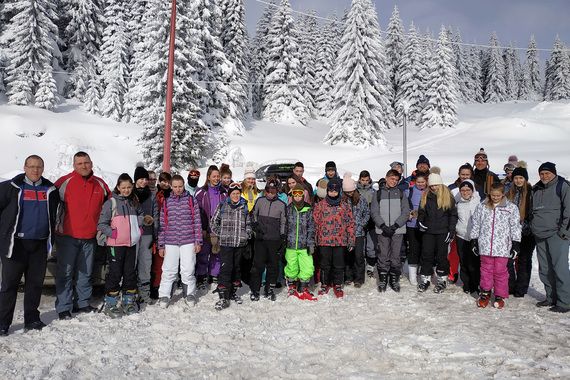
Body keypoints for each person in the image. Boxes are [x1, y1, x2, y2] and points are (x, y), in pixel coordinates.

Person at [0, 155, 59, 335]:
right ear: (24, 167)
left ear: (43, 168)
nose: (35, 170)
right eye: (32, 166)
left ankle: (32, 319)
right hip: (16, 244)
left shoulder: (50, 189)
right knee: (9, 285)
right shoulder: (10, 187)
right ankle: (3, 323)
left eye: (39, 167)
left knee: (34, 284)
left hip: (39, 245)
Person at [54, 151, 111, 320]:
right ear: (74, 165)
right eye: (79, 163)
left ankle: (83, 303)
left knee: (85, 272)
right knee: (65, 272)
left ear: (91, 163)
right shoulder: (64, 183)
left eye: (86, 162)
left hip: (90, 237)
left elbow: (112, 204)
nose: (84, 166)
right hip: (67, 236)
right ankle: (64, 307)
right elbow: (49, 202)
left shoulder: (100, 184)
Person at [97, 174, 146, 317]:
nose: (126, 190)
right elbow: (101, 224)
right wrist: (113, 234)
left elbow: (141, 216)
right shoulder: (111, 203)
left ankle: (128, 301)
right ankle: (111, 303)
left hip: (131, 244)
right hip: (115, 245)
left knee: (130, 273)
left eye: (129, 187)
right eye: (123, 187)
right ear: (118, 187)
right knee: (115, 273)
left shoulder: (134, 201)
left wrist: (139, 229)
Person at [471, 183, 521, 309]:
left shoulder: (511, 207)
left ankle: (500, 295)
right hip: (485, 245)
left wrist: (516, 244)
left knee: (501, 272)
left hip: (503, 247)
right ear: (489, 194)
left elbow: (515, 226)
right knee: (485, 270)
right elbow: (476, 223)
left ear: (503, 194)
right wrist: (474, 240)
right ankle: (485, 292)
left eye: (498, 195)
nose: (495, 197)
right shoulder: (482, 206)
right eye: (493, 195)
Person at [156, 175, 203, 308]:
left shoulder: (191, 200)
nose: (178, 189)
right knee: (169, 269)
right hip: (170, 241)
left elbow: (197, 221)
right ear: (171, 186)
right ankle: (164, 295)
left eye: (180, 186)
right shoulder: (167, 202)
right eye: (175, 186)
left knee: (188, 269)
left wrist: (198, 241)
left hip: (188, 240)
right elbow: (162, 224)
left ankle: (190, 293)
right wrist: (161, 245)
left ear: (184, 185)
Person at [531, 162, 570, 313]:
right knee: (545, 268)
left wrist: (564, 232)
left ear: (554, 173)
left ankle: (565, 301)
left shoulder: (563, 186)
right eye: (542, 173)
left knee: (560, 269)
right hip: (540, 234)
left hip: (557, 234)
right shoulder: (536, 188)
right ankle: (551, 297)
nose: (544, 176)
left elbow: (569, 211)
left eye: (547, 173)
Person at [210, 182, 252, 310]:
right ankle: (223, 295)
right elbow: (213, 222)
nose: (235, 196)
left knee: (237, 268)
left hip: (239, 243)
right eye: (233, 193)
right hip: (226, 244)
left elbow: (249, 224)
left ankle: (233, 292)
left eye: (238, 193)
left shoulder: (244, 206)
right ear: (229, 194)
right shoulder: (223, 205)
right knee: (226, 268)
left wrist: (247, 235)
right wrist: (220, 233)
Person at [313, 178, 355, 298]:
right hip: (324, 240)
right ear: (327, 191)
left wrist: (351, 240)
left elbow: (350, 223)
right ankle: (325, 284)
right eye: (330, 190)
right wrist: (314, 239)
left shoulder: (345, 205)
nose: (333, 193)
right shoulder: (320, 205)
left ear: (339, 191)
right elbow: (315, 222)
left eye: (335, 191)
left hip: (340, 240)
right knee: (325, 264)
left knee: (339, 264)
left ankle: (337, 285)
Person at [417, 173, 458, 293]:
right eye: (431, 185)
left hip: (442, 231)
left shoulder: (447, 196)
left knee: (441, 256)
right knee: (426, 255)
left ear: (440, 184)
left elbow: (453, 215)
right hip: (428, 231)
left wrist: (451, 230)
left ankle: (441, 280)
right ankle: (425, 279)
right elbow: (421, 212)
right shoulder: (425, 195)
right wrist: (420, 221)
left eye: (436, 185)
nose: (434, 188)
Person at [371, 170, 410, 292]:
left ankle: (394, 279)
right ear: (386, 178)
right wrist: (382, 226)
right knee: (383, 254)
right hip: (382, 230)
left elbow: (405, 212)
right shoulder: (377, 194)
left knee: (396, 255)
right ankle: (383, 279)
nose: (394, 181)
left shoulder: (401, 193)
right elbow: (374, 212)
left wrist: (395, 226)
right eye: (392, 178)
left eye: (396, 180)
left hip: (397, 230)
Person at [250, 177, 287, 301]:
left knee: (273, 266)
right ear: (265, 191)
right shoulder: (260, 201)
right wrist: (255, 226)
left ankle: (269, 289)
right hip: (261, 239)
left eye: (273, 191)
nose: (270, 194)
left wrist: (282, 237)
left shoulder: (281, 205)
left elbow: (283, 222)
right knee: (258, 266)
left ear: (277, 192)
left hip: (274, 239)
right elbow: (253, 215)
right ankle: (255, 290)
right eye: (268, 191)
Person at [195, 165, 227, 287]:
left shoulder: (224, 192)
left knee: (217, 252)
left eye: (218, 176)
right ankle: (201, 275)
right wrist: (201, 228)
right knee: (203, 253)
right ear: (208, 177)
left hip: (219, 228)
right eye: (214, 176)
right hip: (205, 228)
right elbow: (197, 211)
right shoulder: (201, 192)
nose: (217, 178)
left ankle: (214, 274)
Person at [506, 164, 535, 297]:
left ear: (525, 179)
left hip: (527, 233)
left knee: (524, 260)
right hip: (511, 232)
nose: (518, 180)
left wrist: (526, 227)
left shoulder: (531, 192)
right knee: (509, 259)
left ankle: (521, 288)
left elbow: (533, 213)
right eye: (516, 177)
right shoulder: (509, 193)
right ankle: (510, 285)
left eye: (521, 178)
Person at [284, 184, 316, 300]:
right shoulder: (288, 209)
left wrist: (311, 243)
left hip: (304, 245)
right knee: (291, 267)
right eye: (295, 194)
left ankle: (303, 287)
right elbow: (285, 226)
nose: (297, 197)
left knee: (307, 267)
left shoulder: (308, 209)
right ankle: (292, 286)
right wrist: (283, 241)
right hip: (291, 244)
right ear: (292, 195)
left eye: (300, 194)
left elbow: (311, 228)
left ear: (303, 195)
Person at [133, 164, 158, 304]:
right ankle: (130, 292)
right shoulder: (130, 193)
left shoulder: (152, 195)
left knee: (145, 264)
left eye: (145, 179)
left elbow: (156, 215)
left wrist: (156, 233)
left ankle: (144, 292)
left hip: (147, 235)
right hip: (131, 234)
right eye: (141, 178)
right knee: (131, 264)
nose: (143, 181)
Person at [342, 173, 370, 288]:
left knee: (359, 256)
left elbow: (367, 213)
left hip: (358, 233)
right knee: (348, 255)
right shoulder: (342, 201)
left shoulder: (361, 199)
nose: (349, 194)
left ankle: (359, 278)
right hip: (346, 233)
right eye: (347, 192)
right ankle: (348, 277)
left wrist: (362, 224)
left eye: (351, 191)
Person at [454, 179, 481, 295]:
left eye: (468, 190)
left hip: (475, 237)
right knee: (464, 261)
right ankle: (466, 283)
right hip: (461, 235)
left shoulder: (479, 203)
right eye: (463, 190)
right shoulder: (458, 204)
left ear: (472, 190)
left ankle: (475, 285)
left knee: (474, 262)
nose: (465, 192)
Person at [150, 171, 172, 299]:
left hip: (171, 232)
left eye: (167, 181)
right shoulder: (155, 194)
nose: (165, 183)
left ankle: (166, 285)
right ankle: (155, 286)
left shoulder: (172, 195)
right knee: (157, 262)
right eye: (163, 181)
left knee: (168, 262)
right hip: (158, 231)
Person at [404, 173, 428, 286]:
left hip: (425, 225)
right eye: (418, 182)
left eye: (422, 182)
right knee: (413, 249)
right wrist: (408, 213)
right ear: (415, 182)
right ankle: (413, 276)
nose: (420, 184)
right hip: (412, 225)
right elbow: (404, 205)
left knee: (425, 249)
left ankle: (424, 273)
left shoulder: (430, 191)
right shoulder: (409, 191)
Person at [357, 170, 377, 279]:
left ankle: (370, 265)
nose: (364, 182)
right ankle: (360, 265)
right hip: (359, 221)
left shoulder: (373, 191)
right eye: (363, 180)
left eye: (367, 180)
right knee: (360, 245)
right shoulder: (355, 191)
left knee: (370, 246)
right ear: (359, 179)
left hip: (371, 222)